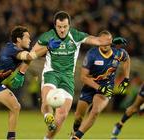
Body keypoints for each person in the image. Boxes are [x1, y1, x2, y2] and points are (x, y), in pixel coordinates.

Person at [31, 11, 113, 139]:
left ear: (69, 25)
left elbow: (96, 40)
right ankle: (48, 116)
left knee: (62, 114)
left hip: (68, 77)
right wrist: (47, 47)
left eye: (65, 27)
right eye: (59, 27)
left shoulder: (75, 35)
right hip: (51, 72)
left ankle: (47, 138)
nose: (62, 30)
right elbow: (32, 53)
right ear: (55, 26)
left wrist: (109, 41)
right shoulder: (48, 36)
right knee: (48, 97)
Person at [71, 30, 130, 139]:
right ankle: (74, 131)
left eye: (107, 41)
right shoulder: (92, 54)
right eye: (102, 41)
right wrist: (99, 87)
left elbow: (126, 59)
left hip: (106, 87)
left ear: (111, 42)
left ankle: (77, 137)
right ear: (97, 41)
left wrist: (126, 78)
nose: (105, 43)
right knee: (78, 117)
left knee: (95, 111)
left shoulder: (118, 53)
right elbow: (83, 77)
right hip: (90, 86)